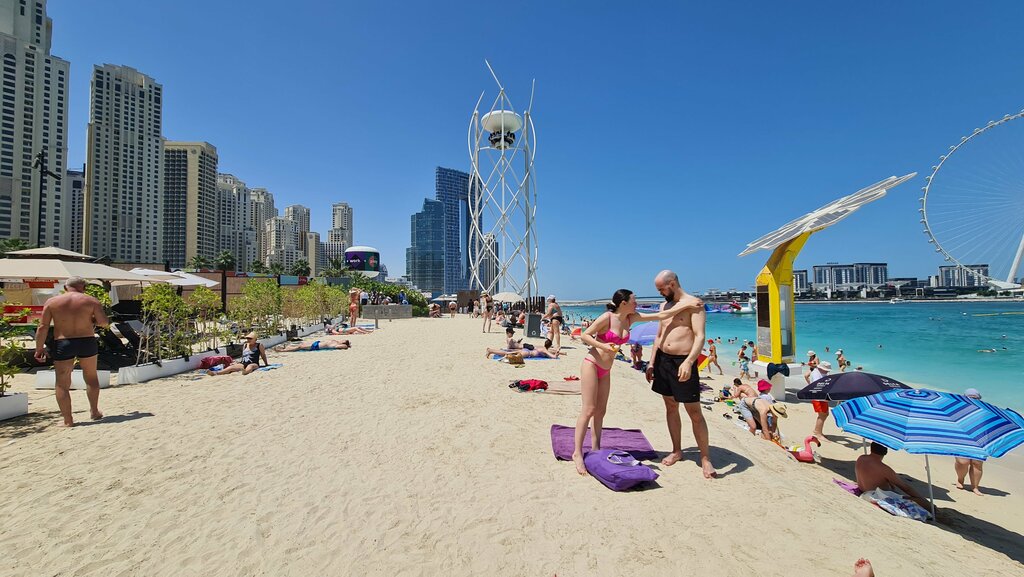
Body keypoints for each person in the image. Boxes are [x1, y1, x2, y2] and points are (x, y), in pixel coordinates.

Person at [571, 287, 702, 476]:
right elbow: (584, 335)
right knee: (589, 409)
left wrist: (686, 305)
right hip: (591, 364)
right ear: (624, 303)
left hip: (606, 370)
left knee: (601, 411)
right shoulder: (607, 317)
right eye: (634, 300)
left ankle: (596, 448)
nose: (637, 303)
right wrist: (603, 346)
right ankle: (577, 453)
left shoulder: (631, 318)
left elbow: (661, 315)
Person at [645, 270, 717, 478]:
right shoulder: (664, 306)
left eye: (661, 289)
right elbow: (659, 335)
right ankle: (677, 450)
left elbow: (700, 336)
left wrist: (689, 361)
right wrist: (651, 362)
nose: (660, 293)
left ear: (672, 283)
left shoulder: (694, 304)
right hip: (663, 361)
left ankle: (705, 458)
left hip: (683, 361)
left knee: (694, 412)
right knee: (670, 406)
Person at [33, 276, 109, 427]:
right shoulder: (91, 301)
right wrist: (91, 320)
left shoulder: (52, 302)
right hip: (86, 341)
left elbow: (43, 327)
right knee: (91, 377)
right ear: (84, 287)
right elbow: (104, 323)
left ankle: (68, 420)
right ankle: (94, 411)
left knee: (62, 383)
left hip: (64, 342)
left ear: (65, 287)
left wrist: (39, 348)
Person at [855, 442, 930, 510]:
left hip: (863, 491)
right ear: (885, 452)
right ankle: (934, 511)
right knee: (922, 502)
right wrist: (921, 498)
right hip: (877, 496)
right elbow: (905, 488)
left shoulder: (861, 458)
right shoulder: (884, 469)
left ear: (871, 448)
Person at [955, 388, 986, 496]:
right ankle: (960, 479)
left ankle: (975, 487)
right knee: (963, 462)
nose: (972, 400)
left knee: (977, 463)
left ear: (979, 399)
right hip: (962, 438)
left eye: (975, 398)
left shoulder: (984, 410)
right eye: (970, 397)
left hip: (979, 438)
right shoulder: (959, 408)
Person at [809, 360, 832, 439]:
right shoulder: (816, 374)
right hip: (818, 397)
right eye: (826, 370)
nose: (827, 371)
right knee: (822, 415)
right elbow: (817, 386)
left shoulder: (822, 373)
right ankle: (817, 432)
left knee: (825, 413)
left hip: (822, 396)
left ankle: (818, 431)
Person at [487, 338, 562, 360]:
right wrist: (556, 354)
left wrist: (557, 351)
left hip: (526, 351)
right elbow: (553, 357)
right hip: (527, 353)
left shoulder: (541, 347)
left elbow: (549, 352)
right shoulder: (545, 350)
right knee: (507, 354)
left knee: (507, 353)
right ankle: (490, 351)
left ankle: (491, 351)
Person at [274, 338, 351, 352]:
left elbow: (344, 347)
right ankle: (287, 347)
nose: (342, 339)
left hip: (316, 346)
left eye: (343, 340)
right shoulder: (335, 341)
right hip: (317, 342)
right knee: (301, 344)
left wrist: (347, 345)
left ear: (343, 342)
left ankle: (282, 350)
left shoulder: (336, 344)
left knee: (299, 347)